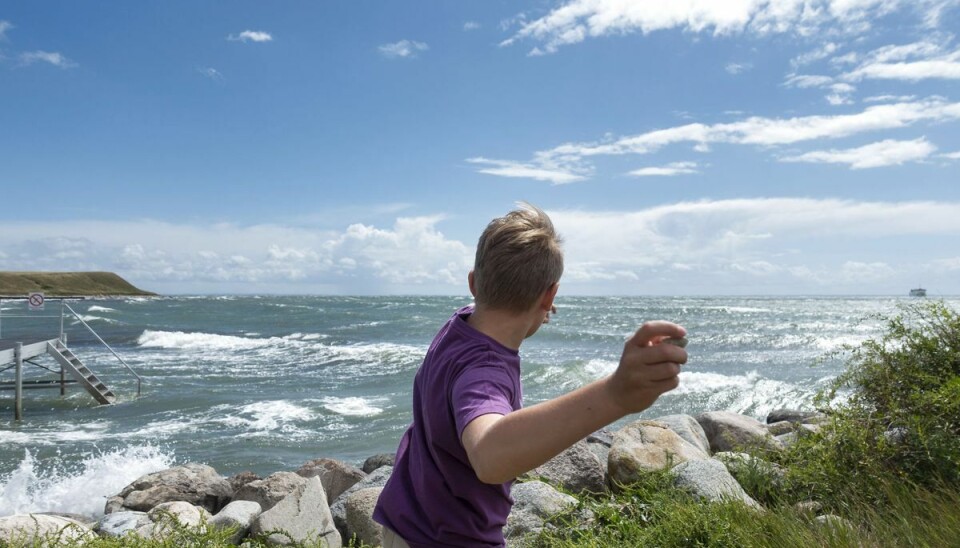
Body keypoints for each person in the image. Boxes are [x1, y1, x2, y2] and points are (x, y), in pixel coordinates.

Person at [373, 203, 687, 547]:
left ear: (474, 283)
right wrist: (614, 395)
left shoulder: (458, 326)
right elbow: (489, 455)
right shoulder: (485, 370)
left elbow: (499, 306)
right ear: (550, 295)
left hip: (404, 521)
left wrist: (534, 305)